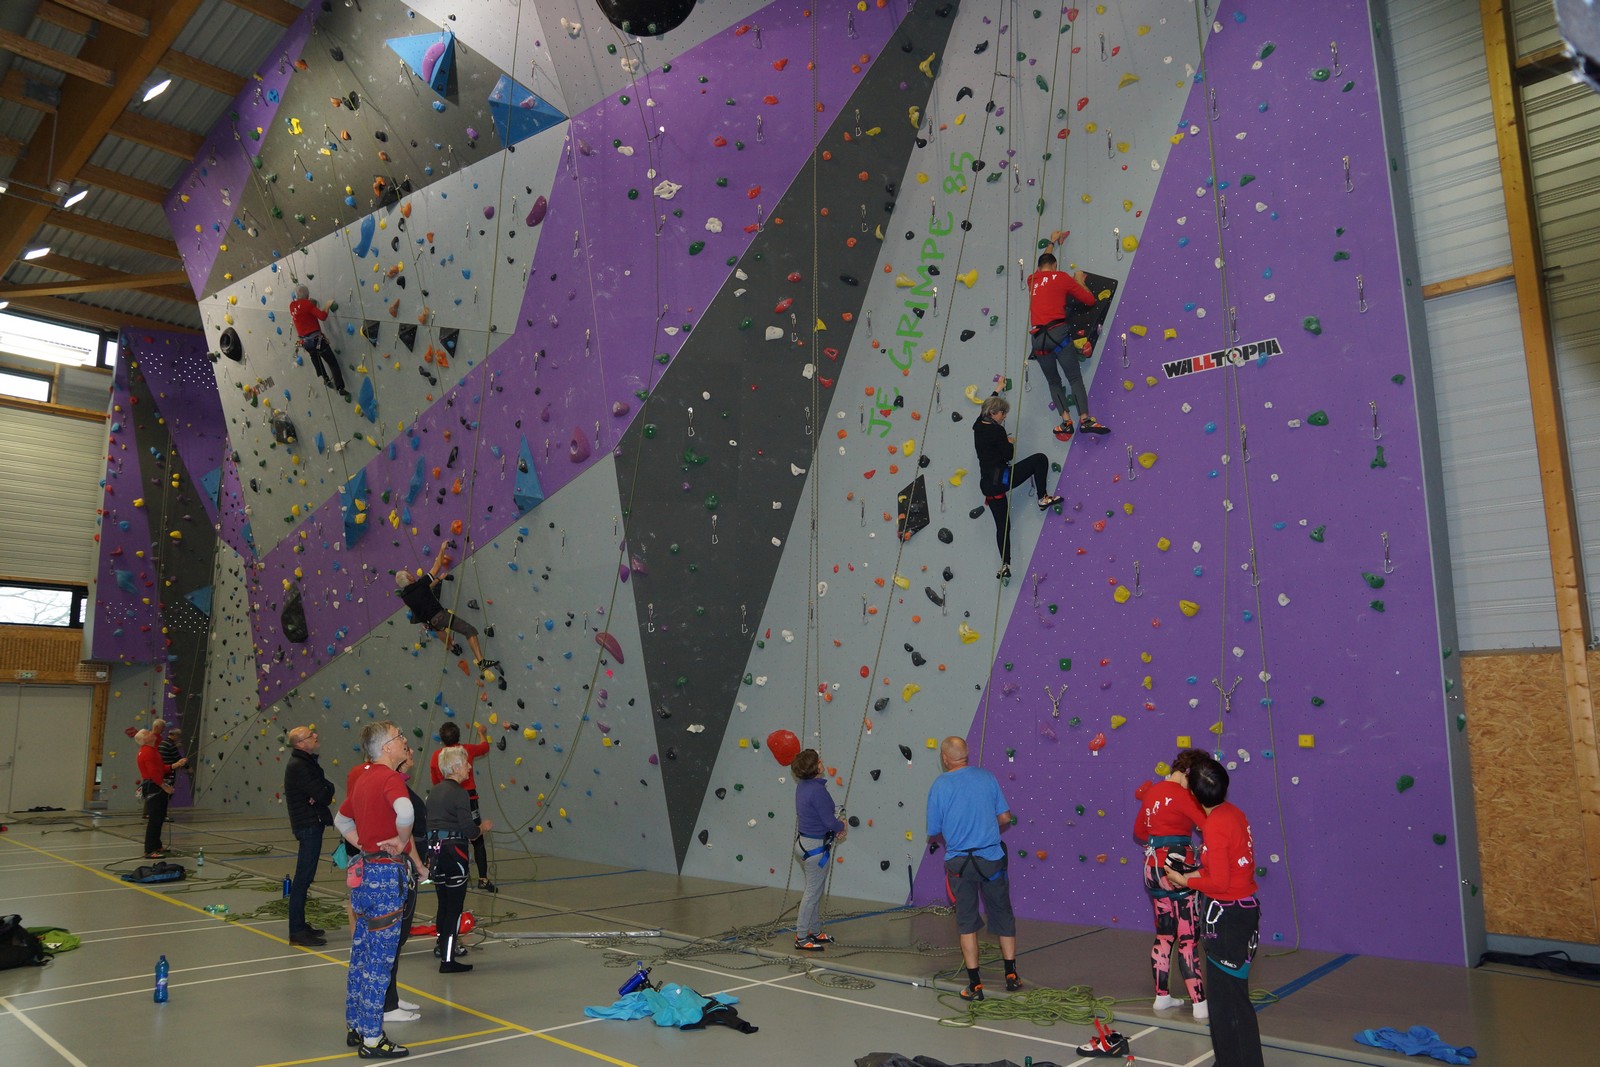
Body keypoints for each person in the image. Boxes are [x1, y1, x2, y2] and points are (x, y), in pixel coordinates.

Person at [1167, 759, 1264, 1067]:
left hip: (1229, 919)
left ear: (1195, 796)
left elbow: (1220, 883)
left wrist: (1186, 881)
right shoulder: (1232, 814)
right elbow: (1222, 868)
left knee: (1229, 1005)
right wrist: (1192, 873)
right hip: (1235, 914)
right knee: (1226, 1002)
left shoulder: (1216, 825)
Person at [333, 722, 417, 1059]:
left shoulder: (363, 777)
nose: (404, 741)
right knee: (379, 962)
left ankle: (356, 1024)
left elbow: (341, 820)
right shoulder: (389, 778)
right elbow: (406, 810)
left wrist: (363, 843)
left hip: (364, 873)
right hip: (383, 878)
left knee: (361, 953)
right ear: (386, 747)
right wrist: (401, 840)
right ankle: (372, 1039)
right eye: (399, 737)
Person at [926, 735, 1020, 1001]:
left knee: (966, 921)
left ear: (945, 759)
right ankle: (1011, 975)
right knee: (1003, 914)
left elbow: (934, 829)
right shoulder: (987, 777)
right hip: (990, 860)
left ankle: (975, 985)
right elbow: (1005, 817)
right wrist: (983, 823)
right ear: (967, 753)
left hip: (959, 863)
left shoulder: (940, 785)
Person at [1132, 749, 1209, 1018]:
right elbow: (1208, 825)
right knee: (1188, 937)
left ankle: (1161, 997)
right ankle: (1199, 1004)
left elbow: (1139, 832)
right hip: (1177, 869)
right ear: (1190, 774)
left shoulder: (1152, 791)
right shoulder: (1185, 796)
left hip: (1152, 868)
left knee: (1165, 934)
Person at [972, 395, 1062, 580]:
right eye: (1002, 413)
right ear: (993, 413)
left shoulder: (978, 426)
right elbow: (1008, 455)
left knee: (1003, 526)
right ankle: (1042, 497)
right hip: (1001, 479)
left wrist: (997, 390)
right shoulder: (997, 431)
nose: (1004, 416)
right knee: (1040, 459)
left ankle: (1005, 564)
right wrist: (1009, 443)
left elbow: (983, 410)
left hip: (988, 486)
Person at [1026, 252, 1109, 438]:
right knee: (1074, 378)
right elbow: (1090, 300)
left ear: (1038, 268)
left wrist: (1051, 243)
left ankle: (1066, 422)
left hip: (1038, 339)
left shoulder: (1032, 279)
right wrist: (1078, 280)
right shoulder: (1062, 277)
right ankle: (1085, 420)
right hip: (1057, 333)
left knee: (1053, 382)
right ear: (1055, 265)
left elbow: (1045, 264)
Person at [425, 745, 491, 972]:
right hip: (454, 852)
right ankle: (448, 960)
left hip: (435, 851)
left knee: (443, 903)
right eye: (465, 763)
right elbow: (469, 830)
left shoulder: (434, 792)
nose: (469, 767)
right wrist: (482, 828)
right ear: (454, 768)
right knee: (454, 907)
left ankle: (442, 947)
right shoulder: (460, 793)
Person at [396, 542, 499, 678]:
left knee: (440, 630)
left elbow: (425, 590)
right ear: (409, 578)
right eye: (409, 574)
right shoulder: (420, 584)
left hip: (431, 622)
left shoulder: (405, 596)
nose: (411, 574)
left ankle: (451, 647)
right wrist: (442, 549)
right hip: (441, 616)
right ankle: (481, 661)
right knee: (469, 630)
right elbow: (436, 566)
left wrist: (439, 579)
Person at [790, 748, 846, 952]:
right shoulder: (818, 791)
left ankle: (814, 930)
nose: (822, 762)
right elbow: (829, 821)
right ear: (814, 768)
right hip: (815, 848)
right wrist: (841, 826)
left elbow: (819, 816)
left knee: (815, 889)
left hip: (805, 844)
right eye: (818, 761)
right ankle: (802, 937)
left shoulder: (803, 786)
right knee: (812, 893)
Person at [429, 720, 496, 891]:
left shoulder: (436, 755)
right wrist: (481, 732)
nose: (469, 767)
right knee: (476, 837)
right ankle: (482, 878)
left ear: (442, 739)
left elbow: (435, 781)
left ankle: (445, 873)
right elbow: (485, 747)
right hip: (468, 798)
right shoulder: (466, 750)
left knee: (450, 835)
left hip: (447, 800)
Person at [284, 726, 335, 947]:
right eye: (310, 735)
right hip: (308, 825)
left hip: (311, 823)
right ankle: (296, 930)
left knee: (306, 877)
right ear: (300, 744)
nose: (316, 736)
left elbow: (325, 788)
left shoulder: (307, 763)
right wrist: (321, 791)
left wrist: (323, 789)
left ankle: (300, 925)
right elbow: (324, 794)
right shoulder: (300, 766)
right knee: (303, 878)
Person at [135, 728, 186, 858]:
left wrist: (176, 764)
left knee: (159, 817)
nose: (151, 733)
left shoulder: (152, 750)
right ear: (145, 739)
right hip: (154, 786)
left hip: (155, 785)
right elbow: (153, 774)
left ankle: (157, 846)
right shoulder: (148, 752)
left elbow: (160, 768)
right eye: (148, 733)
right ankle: (150, 849)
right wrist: (164, 787)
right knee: (155, 819)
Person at [289, 284, 348, 394]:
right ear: (308, 296)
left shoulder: (292, 306)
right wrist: (327, 305)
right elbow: (322, 316)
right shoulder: (308, 304)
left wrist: (308, 303)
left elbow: (302, 312)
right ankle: (340, 388)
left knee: (315, 357)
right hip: (317, 341)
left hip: (306, 343)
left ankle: (325, 379)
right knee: (332, 363)